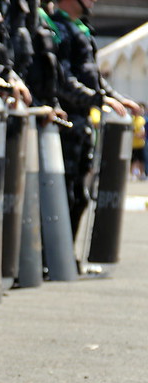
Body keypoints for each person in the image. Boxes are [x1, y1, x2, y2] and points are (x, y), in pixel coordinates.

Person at [47, 0, 142, 238]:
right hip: (64, 123)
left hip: (83, 123)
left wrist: (116, 98)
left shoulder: (80, 29)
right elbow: (63, 79)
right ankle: (55, 259)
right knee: (62, 194)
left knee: (80, 195)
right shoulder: (55, 28)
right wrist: (99, 100)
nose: (93, 1)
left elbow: (93, 77)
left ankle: (67, 255)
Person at [131, 103, 146, 180]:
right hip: (133, 144)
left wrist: (139, 134)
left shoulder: (142, 119)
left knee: (141, 160)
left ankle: (142, 174)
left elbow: (143, 131)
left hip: (140, 144)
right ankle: (133, 174)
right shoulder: (132, 119)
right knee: (133, 160)